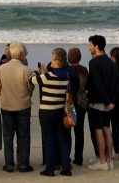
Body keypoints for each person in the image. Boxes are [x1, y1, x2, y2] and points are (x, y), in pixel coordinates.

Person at [30, 47, 76, 177]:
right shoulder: (66, 75)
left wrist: (37, 72)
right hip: (59, 111)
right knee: (62, 139)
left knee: (49, 140)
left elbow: (32, 80)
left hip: (46, 112)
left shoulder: (48, 76)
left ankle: (50, 168)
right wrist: (45, 72)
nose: (51, 60)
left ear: (56, 60)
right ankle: (66, 168)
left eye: (52, 58)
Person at [0, 42, 34, 173]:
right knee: (23, 135)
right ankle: (23, 164)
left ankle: (9, 164)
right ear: (19, 54)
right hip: (23, 105)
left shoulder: (1, 68)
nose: (26, 55)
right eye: (25, 53)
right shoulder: (26, 70)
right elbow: (31, 88)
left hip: (6, 105)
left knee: (8, 136)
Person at [85, 35, 118, 171]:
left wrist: (108, 100)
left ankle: (102, 160)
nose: (89, 47)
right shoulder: (111, 61)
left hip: (98, 100)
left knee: (98, 130)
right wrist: (112, 101)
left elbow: (97, 84)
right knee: (107, 129)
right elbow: (117, 82)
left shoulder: (94, 62)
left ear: (96, 46)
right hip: (108, 101)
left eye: (90, 45)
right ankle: (109, 160)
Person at [67, 48, 90, 166]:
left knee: (67, 130)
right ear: (79, 57)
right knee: (79, 131)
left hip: (70, 102)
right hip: (82, 102)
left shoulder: (67, 70)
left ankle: (67, 157)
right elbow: (88, 85)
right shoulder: (84, 70)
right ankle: (78, 158)